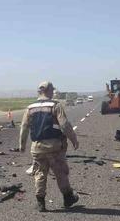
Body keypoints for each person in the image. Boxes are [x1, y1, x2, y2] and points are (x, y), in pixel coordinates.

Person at [19, 81, 80, 212]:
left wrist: (22, 144)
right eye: (52, 90)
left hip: (37, 147)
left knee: (40, 173)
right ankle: (68, 198)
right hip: (54, 147)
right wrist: (73, 139)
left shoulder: (30, 108)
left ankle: (40, 202)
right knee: (60, 172)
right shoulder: (55, 105)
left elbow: (24, 127)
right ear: (48, 90)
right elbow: (64, 125)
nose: (53, 92)